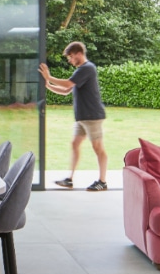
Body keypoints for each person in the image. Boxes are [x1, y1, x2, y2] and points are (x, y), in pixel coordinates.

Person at [38, 41, 108, 191]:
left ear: (79, 54)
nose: (69, 60)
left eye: (71, 57)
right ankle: (69, 179)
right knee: (74, 144)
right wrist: (48, 85)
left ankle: (102, 181)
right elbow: (65, 91)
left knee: (98, 148)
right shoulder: (81, 71)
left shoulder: (87, 68)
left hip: (92, 116)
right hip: (82, 117)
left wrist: (49, 77)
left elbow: (67, 84)